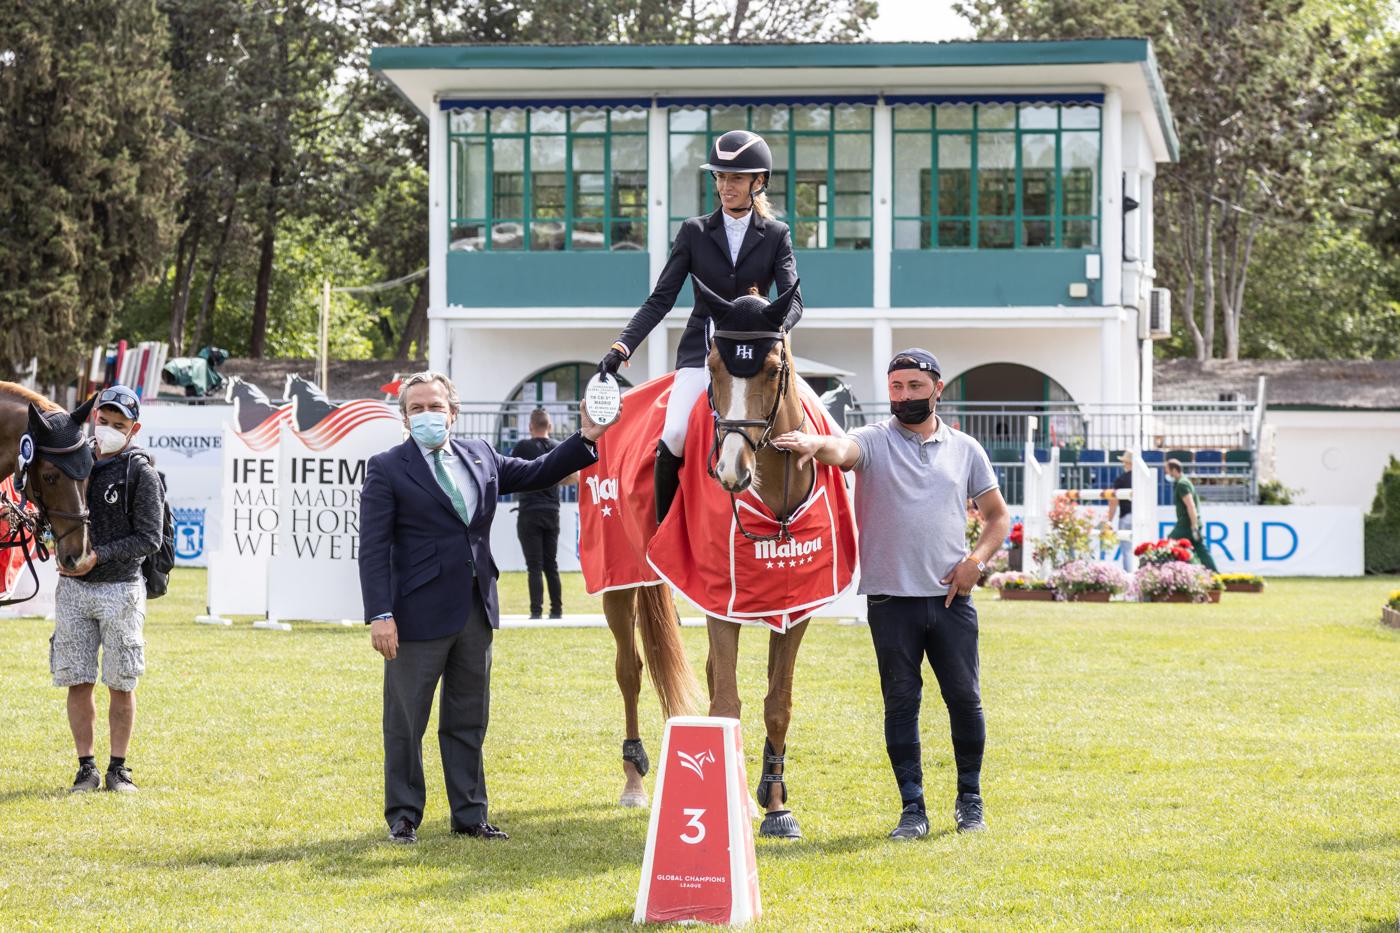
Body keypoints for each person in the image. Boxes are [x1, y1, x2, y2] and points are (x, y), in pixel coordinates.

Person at [357, 372, 611, 845]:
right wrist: (380, 614)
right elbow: (372, 548)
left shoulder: (482, 456)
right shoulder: (387, 467)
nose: (427, 414)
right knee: (406, 721)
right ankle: (404, 816)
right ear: (406, 418)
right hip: (414, 616)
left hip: (476, 610)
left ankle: (470, 815)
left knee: (469, 717)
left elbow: (539, 472)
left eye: (435, 406)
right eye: (417, 408)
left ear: (452, 412)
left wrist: (587, 437)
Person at [773, 349, 1010, 840]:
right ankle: (913, 810)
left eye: (914, 388)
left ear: (937, 389)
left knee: (965, 701)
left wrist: (975, 563)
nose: (903, 397)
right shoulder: (873, 441)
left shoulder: (966, 449)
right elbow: (841, 450)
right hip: (889, 601)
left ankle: (971, 801)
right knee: (900, 706)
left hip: (951, 602)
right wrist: (814, 442)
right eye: (896, 387)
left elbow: (997, 516)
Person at [597, 129, 802, 523]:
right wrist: (623, 346)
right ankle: (664, 532)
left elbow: (794, 299)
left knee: (812, 419)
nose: (726, 186)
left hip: (760, 355)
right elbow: (662, 297)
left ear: (758, 182)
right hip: (704, 353)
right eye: (721, 177)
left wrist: (772, 328)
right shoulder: (694, 231)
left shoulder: (776, 234)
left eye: (737, 178)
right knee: (674, 434)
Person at [53, 385, 164, 794]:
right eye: (104, 421)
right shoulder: (72, 463)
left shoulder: (141, 472)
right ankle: (86, 767)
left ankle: (119, 769)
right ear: (94, 418)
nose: (109, 430)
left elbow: (150, 538)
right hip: (73, 592)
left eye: (120, 425)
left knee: (122, 682)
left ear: (134, 429)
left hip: (121, 591)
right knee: (78, 680)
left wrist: (99, 555)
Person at [509, 408, 574, 620]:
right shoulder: (558, 447)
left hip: (528, 511)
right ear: (550, 427)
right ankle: (557, 610)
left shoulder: (522, 447)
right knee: (551, 564)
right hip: (551, 511)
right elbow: (575, 477)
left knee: (534, 566)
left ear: (530, 427)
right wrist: (553, 480)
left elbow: (509, 474)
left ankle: (536, 612)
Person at [1165, 457, 1218, 571]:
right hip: (1189, 523)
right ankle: (1214, 573)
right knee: (1200, 549)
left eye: (1168, 470)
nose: (1166, 473)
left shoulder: (1182, 484)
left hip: (1186, 523)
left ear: (1174, 470)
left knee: (1170, 542)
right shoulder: (1183, 482)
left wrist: (1194, 526)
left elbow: (1190, 505)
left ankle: (1172, 571)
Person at [1107, 451, 1134, 571]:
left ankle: (1129, 577)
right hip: (1140, 517)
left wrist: (1109, 520)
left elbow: (1113, 502)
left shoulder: (1121, 479)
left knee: (1127, 550)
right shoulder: (1142, 479)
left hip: (1126, 516)